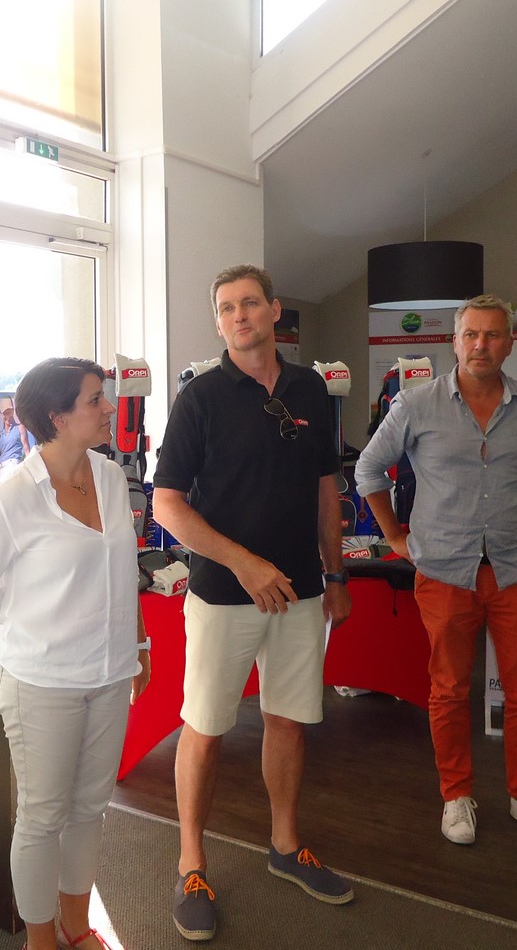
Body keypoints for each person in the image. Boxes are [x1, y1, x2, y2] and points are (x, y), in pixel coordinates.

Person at [152, 264, 354, 943]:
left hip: (299, 592)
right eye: (225, 308)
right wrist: (243, 563)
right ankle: (191, 866)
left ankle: (285, 845)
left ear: (273, 310)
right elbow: (167, 504)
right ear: (218, 322)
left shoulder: (311, 390)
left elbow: (326, 490)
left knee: (287, 721)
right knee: (205, 728)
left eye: (248, 304)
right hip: (222, 595)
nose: (238, 316)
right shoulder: (201, 398)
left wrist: (335, 574)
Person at [355, 294, 517, 849]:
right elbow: (369, 469)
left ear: (509, 343)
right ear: (454, 342)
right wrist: (396, 538)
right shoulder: (416, 403)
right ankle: (456, 795)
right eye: (470, 335)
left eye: (492, 335)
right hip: (445, 571)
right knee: (449, 691)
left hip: (516, 568)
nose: (481, 345)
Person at [0, 357, 150, 950]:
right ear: (57, 417)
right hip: (43, 682)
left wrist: (138, 644)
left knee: (90, 808)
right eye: (95, 400)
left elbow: (124, 570)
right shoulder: (12, 496)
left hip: (110, 674)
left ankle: (76, 926)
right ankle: (39, 939)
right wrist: (36, 620)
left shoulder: (109, 476)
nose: (109, 408)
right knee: (42, 816)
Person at [0, 395, 31, 472]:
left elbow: (27, 449)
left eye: (10, 412)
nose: (8, 416)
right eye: (5, 413)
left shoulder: (20, 428)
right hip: (0, 468)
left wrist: (30, 468)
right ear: (1, 414)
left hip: (13, 465)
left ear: (13, 411)